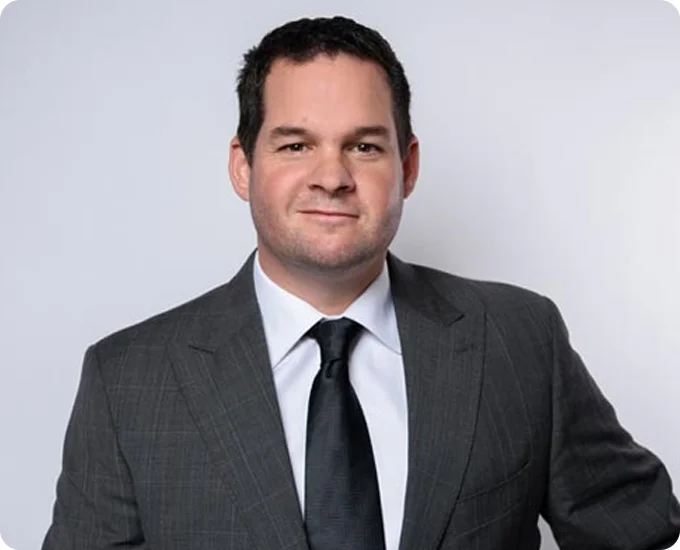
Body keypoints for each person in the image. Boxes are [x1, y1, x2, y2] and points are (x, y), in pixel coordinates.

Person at [42, 15, 680, 550]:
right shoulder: (126, 381)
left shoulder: (520, 340)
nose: (332, 177)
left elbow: (648, 533)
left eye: (365, 147)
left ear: (408, 166)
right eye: (296, 146)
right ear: (243, 166)